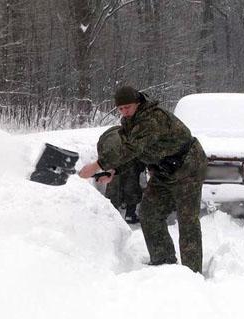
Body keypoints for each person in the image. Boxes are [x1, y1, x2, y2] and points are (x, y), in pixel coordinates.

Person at [79, 86, 208, 272]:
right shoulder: (130, 123)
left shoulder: (152, 119)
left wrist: (97, 165)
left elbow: (131, 149)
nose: (124, 112)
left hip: (188, 167)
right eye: (120, 109)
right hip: (163, 170)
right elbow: (134, 154)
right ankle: (163, 261)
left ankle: (192, 272)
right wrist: (113, 171)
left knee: (187, 220)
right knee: (149, 213)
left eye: (128, 107)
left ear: (138, 103)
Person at [97, 126, 145, 224]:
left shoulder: (115, 132)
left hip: (107, 148)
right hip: (125, 151)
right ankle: (130, 214)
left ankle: (112, 215)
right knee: (132, 181)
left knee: (114, 180)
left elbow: (100, 146)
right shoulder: (139, 136)